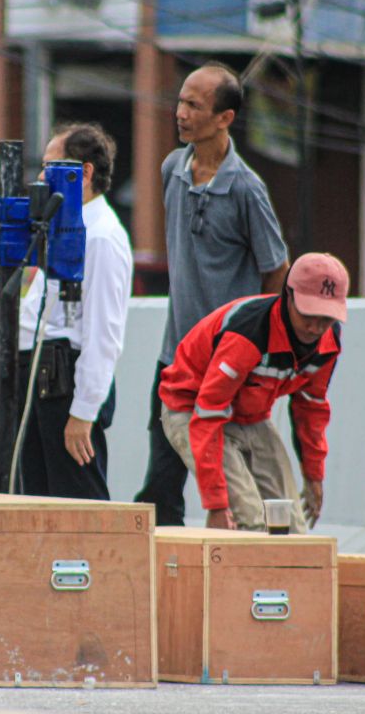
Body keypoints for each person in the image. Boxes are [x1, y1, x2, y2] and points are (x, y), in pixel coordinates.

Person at [135, 61, 290, 526]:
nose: (180, 113)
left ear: (225, 118)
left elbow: (276, 268)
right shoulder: (171, 169)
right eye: (180, 101)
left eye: (194, 105)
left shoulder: (246, 188)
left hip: (226, 364)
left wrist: (251, 340)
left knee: (234, 480)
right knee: (162, 479)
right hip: (176, 357)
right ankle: (167, 573)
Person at [158, 252, 349, 532]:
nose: (315, 327)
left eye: (326, 318)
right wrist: (217, 505)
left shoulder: (328, 342)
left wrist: (313, 476)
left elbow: (312, 409)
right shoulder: (248, 334)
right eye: (308, 314)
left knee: (292, 528)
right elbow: (208, 413)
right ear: (288, 296)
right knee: (250, 519)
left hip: (250, 415)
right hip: (192, 409)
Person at [16, 123, 133, 499]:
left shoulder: (100, 236)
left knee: (79, 504)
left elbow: (104, 333)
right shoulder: (64, 228)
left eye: (51, 168)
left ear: (82, 173)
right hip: (43, 376)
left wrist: (82, 412)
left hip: (68, 380)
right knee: (38, 499)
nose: (40, 178)